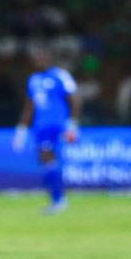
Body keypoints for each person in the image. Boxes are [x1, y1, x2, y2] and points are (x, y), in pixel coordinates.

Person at [12, 48, 81, 214]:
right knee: (46, 160)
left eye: (42, 58)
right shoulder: (33, 80)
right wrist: (21, 130)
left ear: (49, 59)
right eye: (36, 58)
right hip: (40, 126)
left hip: (57, 125)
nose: (39, 61)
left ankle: (58, 200)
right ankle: (56, 198)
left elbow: (74, 99)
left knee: (48, 156)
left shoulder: (60, 75)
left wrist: (72, 124)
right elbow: (29, 106)